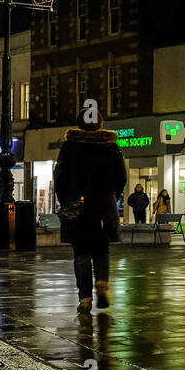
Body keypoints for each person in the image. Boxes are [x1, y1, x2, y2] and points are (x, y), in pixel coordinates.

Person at [54, 117, 126, 314]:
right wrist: (112, 197)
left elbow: (60, 177)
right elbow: (122, 177)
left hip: (79, 207)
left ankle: (85, 298)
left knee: (81, 253)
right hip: (104, 206)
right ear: (100, 124)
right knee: (102, 249)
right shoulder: (111, 147)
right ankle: (102, 281)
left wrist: (67, 200)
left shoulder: (70, 146)